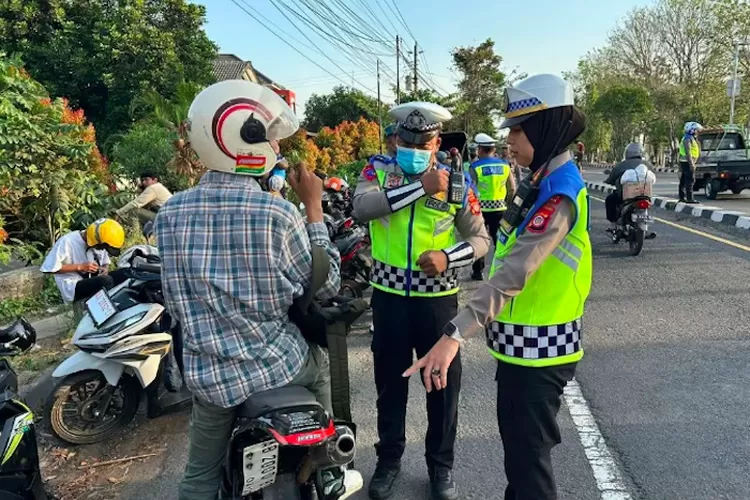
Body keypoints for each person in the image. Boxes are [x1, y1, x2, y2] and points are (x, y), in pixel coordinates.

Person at [155, 80, 360, 500]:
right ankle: (332, 464)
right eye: (269, 139)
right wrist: (314, 209)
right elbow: (326, 282)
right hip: (277, 363)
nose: (277, 150)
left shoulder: (169, 215)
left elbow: (174, 299)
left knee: (197, 482)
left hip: (210, 377)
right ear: (245, 141)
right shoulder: (278, 213)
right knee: (320, 365)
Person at [405, 74, 592, 500]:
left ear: (548, 126)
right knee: (521, 464)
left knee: (529, 472)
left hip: (540, 355)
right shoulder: (539, 179)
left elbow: (513, 273)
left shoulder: (558, 192)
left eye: (520, 128)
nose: (510, 139)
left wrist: (454, 334)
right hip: (521, 351)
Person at [353, 102, 490, 500]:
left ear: (436, 143)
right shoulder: (376, 170)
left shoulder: (459, 182)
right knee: (389, 387)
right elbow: (362, 208)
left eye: (423, 142)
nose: (414, 148)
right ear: (396, 139)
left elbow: (482, 241)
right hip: (389, 300)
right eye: (407, 140)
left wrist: (449, 257)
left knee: (442, 389)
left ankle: (440, 467)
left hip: (438, 303)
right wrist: (419, 188)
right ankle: (388, 460)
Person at [40, 218, 128, 303]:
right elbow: (49, 269)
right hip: (74, 286)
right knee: (106, 281)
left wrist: (105, 269)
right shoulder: (67, 241)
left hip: (95, 279)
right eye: (101, 247)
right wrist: (80, 267)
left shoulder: (101, 244)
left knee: (125, 273)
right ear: (95, 241)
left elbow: (105, 262)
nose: (102, 250)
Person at [469, 133, 516, 281]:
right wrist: (508, 204)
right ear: (493, 149)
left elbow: (471, 190)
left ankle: (478, 272)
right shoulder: (504, 165)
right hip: (501, 209)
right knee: (500, 241)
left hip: (480, 210)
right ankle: (501, 271)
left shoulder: (475, 167)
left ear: (480, 150)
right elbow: (512, 189)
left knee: (479, 240)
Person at [604, 143, 649, 229]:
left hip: (625, 196)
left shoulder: (620, 165)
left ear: (627, 153)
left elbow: (612, 178)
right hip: (644, 194)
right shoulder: (647, 165)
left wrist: (608, 181)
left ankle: (613, 224)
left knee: (610, 200)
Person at [678, 121, 703, 203]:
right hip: (687, 162)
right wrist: (691, 164)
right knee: (690, 180)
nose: (697, 132)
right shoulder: (687, 139)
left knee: (684, 180)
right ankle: (689, 198)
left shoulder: (690, 138)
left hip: (685, 161)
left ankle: (682, 197)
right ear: (691, 130)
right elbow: (688, 151)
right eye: (696, 130)